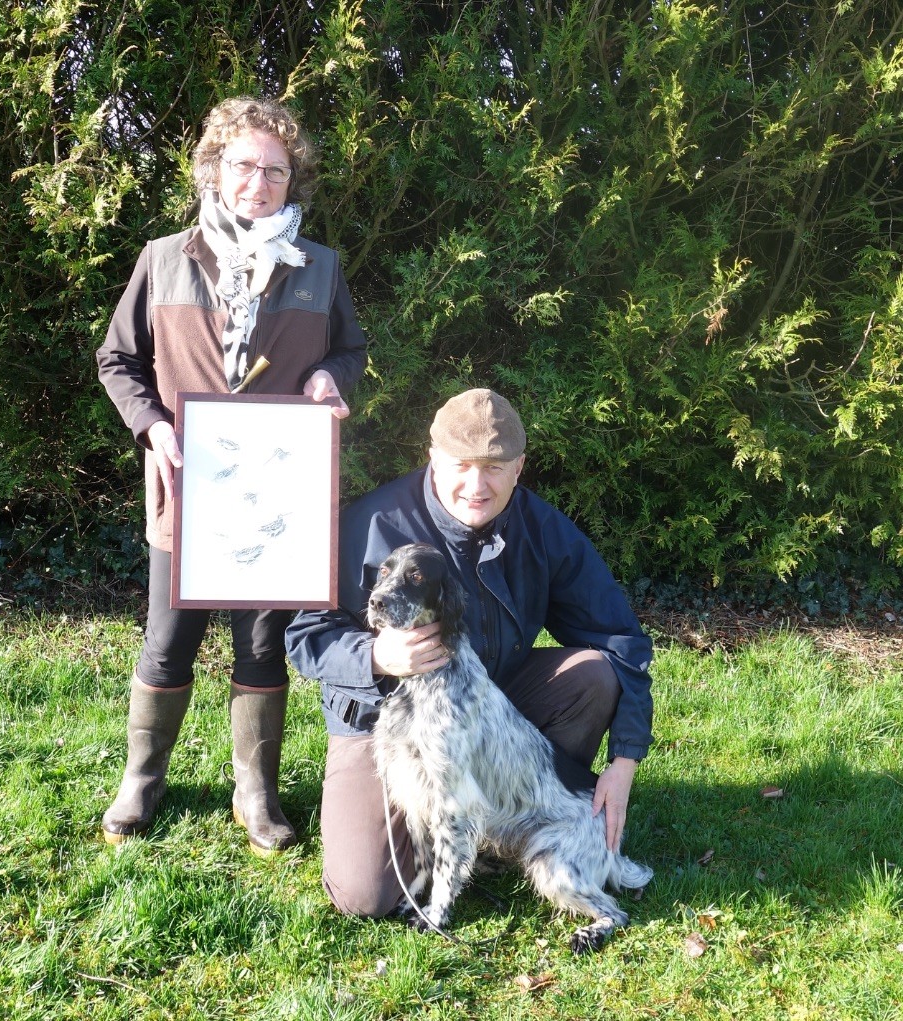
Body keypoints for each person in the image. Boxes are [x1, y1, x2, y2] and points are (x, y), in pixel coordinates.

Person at [95, 96, 367, 854]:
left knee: (262, 645)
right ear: (215, 168)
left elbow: (350, 352)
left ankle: (257, 794)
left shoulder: (320, 269)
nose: (259, 181)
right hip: (186, 492)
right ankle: (141, 781)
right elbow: (116, 360)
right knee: (166, 642)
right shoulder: (163, 258)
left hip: (279, 499)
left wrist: (329, 379)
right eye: (245, 165)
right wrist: (151, 425)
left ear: (292, 181)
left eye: (276, 170)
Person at [286, 388, 653, 915]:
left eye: (496, 467)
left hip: (491, 701)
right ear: (432, 458)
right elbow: (305, 636)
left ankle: (518, 822)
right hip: (377, 718)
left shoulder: (542, 529)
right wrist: (377, 657)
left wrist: (624, 760)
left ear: (520, 467)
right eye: (461, 465)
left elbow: (622, 640)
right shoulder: (371, 525)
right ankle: (452, 830)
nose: (477, 486)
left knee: (594, 675)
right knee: (364, 895)